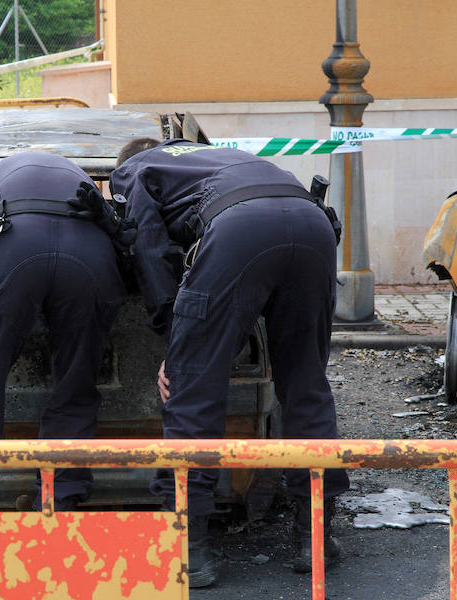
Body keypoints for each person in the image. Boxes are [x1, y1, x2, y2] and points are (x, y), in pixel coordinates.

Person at [109, 138, 349, 587]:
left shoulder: (134, 168)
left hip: (238, 228)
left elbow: (147, 243)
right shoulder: (224, 156)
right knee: (306, 385)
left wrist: (173, 338)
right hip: (313, 225)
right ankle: (314, 538)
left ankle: (190, 551)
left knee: (193, 392)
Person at [0, 151, 136, 512]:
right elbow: (125, 238)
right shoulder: (80, 179)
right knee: (76, 383)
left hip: (13, 247)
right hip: (89, 256)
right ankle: (62, 497)